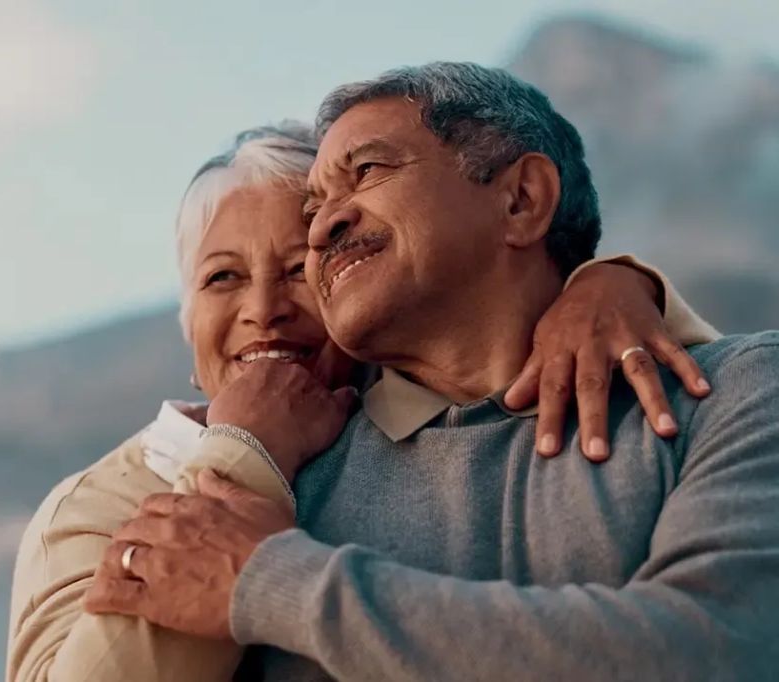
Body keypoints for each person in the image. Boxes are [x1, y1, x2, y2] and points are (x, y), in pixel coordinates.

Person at [84, 63, 779, 680]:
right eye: (315, 206)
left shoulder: (738, 394)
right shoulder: (280, 477)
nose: (325, 226)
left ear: (521, 199)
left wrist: (273, 584)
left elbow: (725, 651)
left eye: (367, 171)